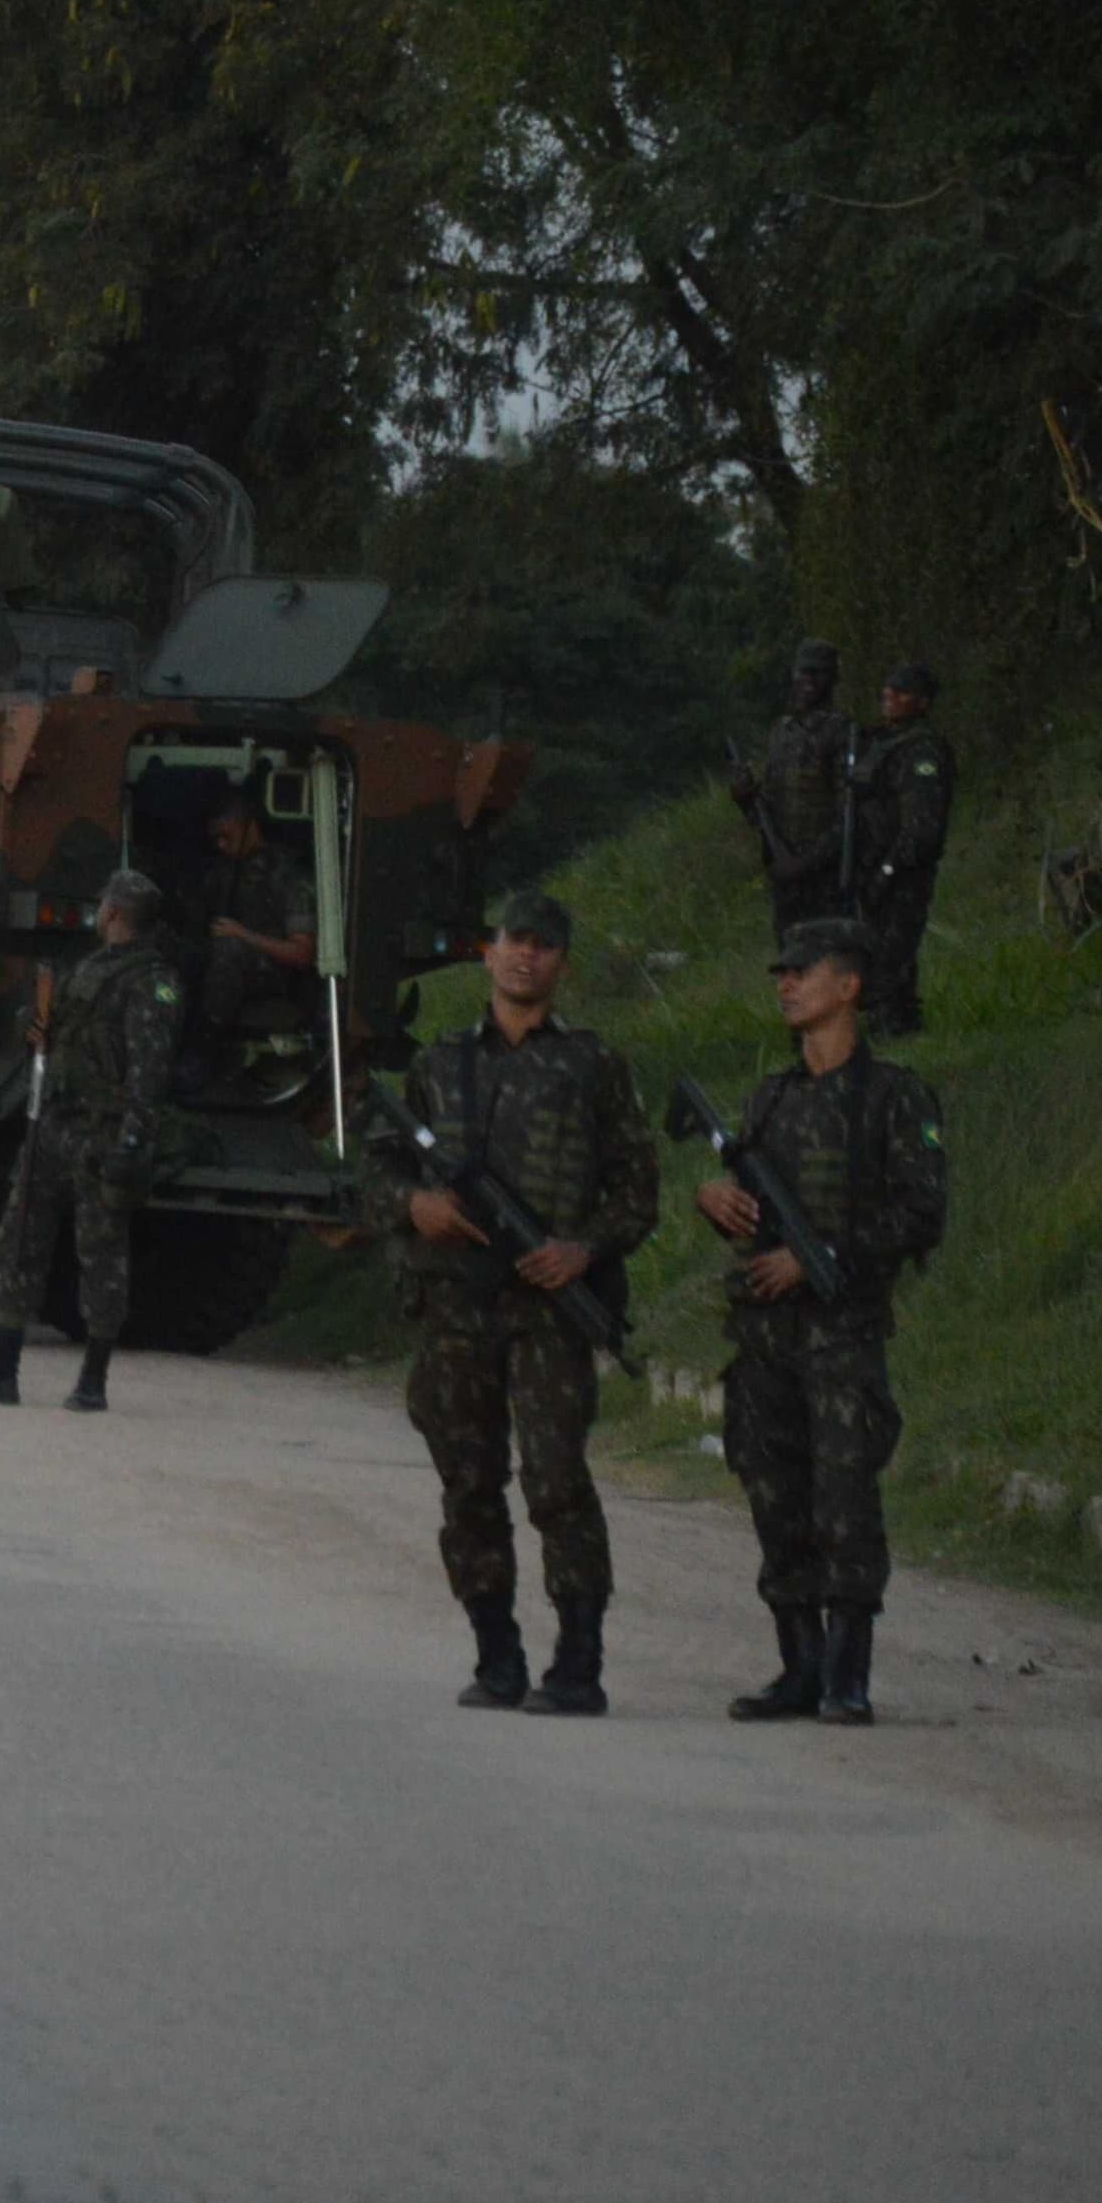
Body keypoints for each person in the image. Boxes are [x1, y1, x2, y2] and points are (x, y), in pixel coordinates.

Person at [368, 890, 658, 1715]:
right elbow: (378, 1168)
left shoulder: (592, 1066)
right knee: (467, 1479)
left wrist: (583, 1249)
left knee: (557, 1479)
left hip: (547, 1306)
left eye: (543, 944)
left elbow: (638, 1191)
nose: (526, 955)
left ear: (562, 963)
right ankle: (496, 1650)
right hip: (455, 1307)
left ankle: (579, 1657)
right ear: (488, 953)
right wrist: (414, 1207)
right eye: (512, 940)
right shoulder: (440, 1064)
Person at [695, 917, 949, 1727]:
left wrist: (818, 1257)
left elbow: (921, 1211)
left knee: (844, 1495)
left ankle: (847, 1673)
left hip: (842, 1331)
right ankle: (798, 1666)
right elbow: (744, 1202)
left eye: (803, 970)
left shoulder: (894, 1096)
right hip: (765, 1333)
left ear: (850, 985)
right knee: (774, 1492)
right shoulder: (771, 1097)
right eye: (782, 969)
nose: (786, 982)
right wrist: (715, 1201)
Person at [0, 868, 181, 1414]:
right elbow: (58, 1031)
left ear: (115, 913)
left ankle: (93, 1377)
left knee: (101, 1252)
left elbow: (149, 1072)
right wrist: (40, 1028)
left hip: (102, 1133)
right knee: (20, 1239)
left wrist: (133, 1143)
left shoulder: (152, 982)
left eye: (103, 906)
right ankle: (1, 1367)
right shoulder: (88, 969)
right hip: (54, 1124)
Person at [850, 663, 955, 1038]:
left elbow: (922, 828)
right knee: (878, 959)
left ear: (922, 703)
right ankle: (900, 1031)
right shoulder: (880, 743)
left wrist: (888, 871)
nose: (890, 696)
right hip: (872, 868)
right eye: (888, 688)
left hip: (901, 875)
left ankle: (895, 1034)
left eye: (902, 691)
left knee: (888, 964)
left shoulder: (921, 752)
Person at [730, 639, 857, 940]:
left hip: (826, 877)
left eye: (819, 673)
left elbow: (852, 816)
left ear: (833, 679)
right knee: (791, 967)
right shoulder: (782, 732)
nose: (809, 681)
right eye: (804, 672)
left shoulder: (842, 733)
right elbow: (766, 808)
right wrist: (744, 798)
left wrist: (803, 863)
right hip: (785, 875)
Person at [189, 792, 318, 1057]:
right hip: (224, 965)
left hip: (273, 973)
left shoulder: (288, 874)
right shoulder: (220, 874)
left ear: (249, 826)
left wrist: (242, 935)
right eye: (216, 839)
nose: (222, 845)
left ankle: (204, 1048)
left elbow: (302, 954)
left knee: (227, 950)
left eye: (227, 836)